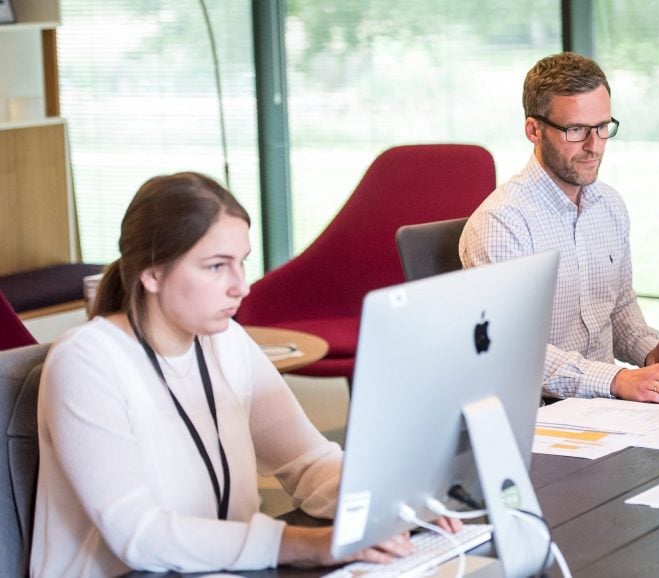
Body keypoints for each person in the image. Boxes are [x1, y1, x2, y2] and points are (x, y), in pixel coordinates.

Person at [31, 172, 457, 577]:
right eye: (216, 266)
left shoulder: (226, 340)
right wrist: (307, 545)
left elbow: (309, 463)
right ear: (152, 272)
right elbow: (139, 534)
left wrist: (400, 503)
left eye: (242, 263)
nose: (241, 286)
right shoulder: (87, 361)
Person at [459, 52, 659, 405]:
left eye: (603, 127)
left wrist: (652, 352)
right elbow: (512, 350)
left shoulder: (610, 205)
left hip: (605, 408)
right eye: (575, 130)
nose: (594, 146)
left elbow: (618, 309)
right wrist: (617, 379)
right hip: (542, 416)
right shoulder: (502, 223)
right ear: (534, 129)